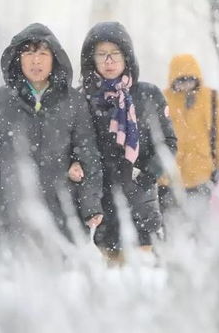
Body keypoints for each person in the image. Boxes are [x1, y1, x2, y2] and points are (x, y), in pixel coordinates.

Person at [0, 23, 103, 251]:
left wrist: (90, 205)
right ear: (18, 59)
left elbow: (88, 155)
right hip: (11, 218)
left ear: (54, 58)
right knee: (11, 282)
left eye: (43, 53)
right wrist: (1, 188)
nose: (36, 61)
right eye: (29, 53)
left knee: (60, 283)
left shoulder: (73, 102)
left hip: (62, 215)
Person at [69, 22, 177, 256]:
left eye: (115, 53)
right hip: (99, 205)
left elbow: (169, 143)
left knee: (143, 277)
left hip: (140, 202)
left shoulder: (148, 95)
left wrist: (146, 177)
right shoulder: (80, 100)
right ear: (92, 59)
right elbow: (70, 148)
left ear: (127, 56)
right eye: (102, 54)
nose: (109, 61)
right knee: (108, 279)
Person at [162, 54, 219, 220]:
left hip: (202, 174)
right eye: (180, 80)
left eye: (189, 80)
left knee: (200, 224)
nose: (185, 85)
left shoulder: (210, 98)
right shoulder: (163, 99)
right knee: (172, 225)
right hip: (169, 178)